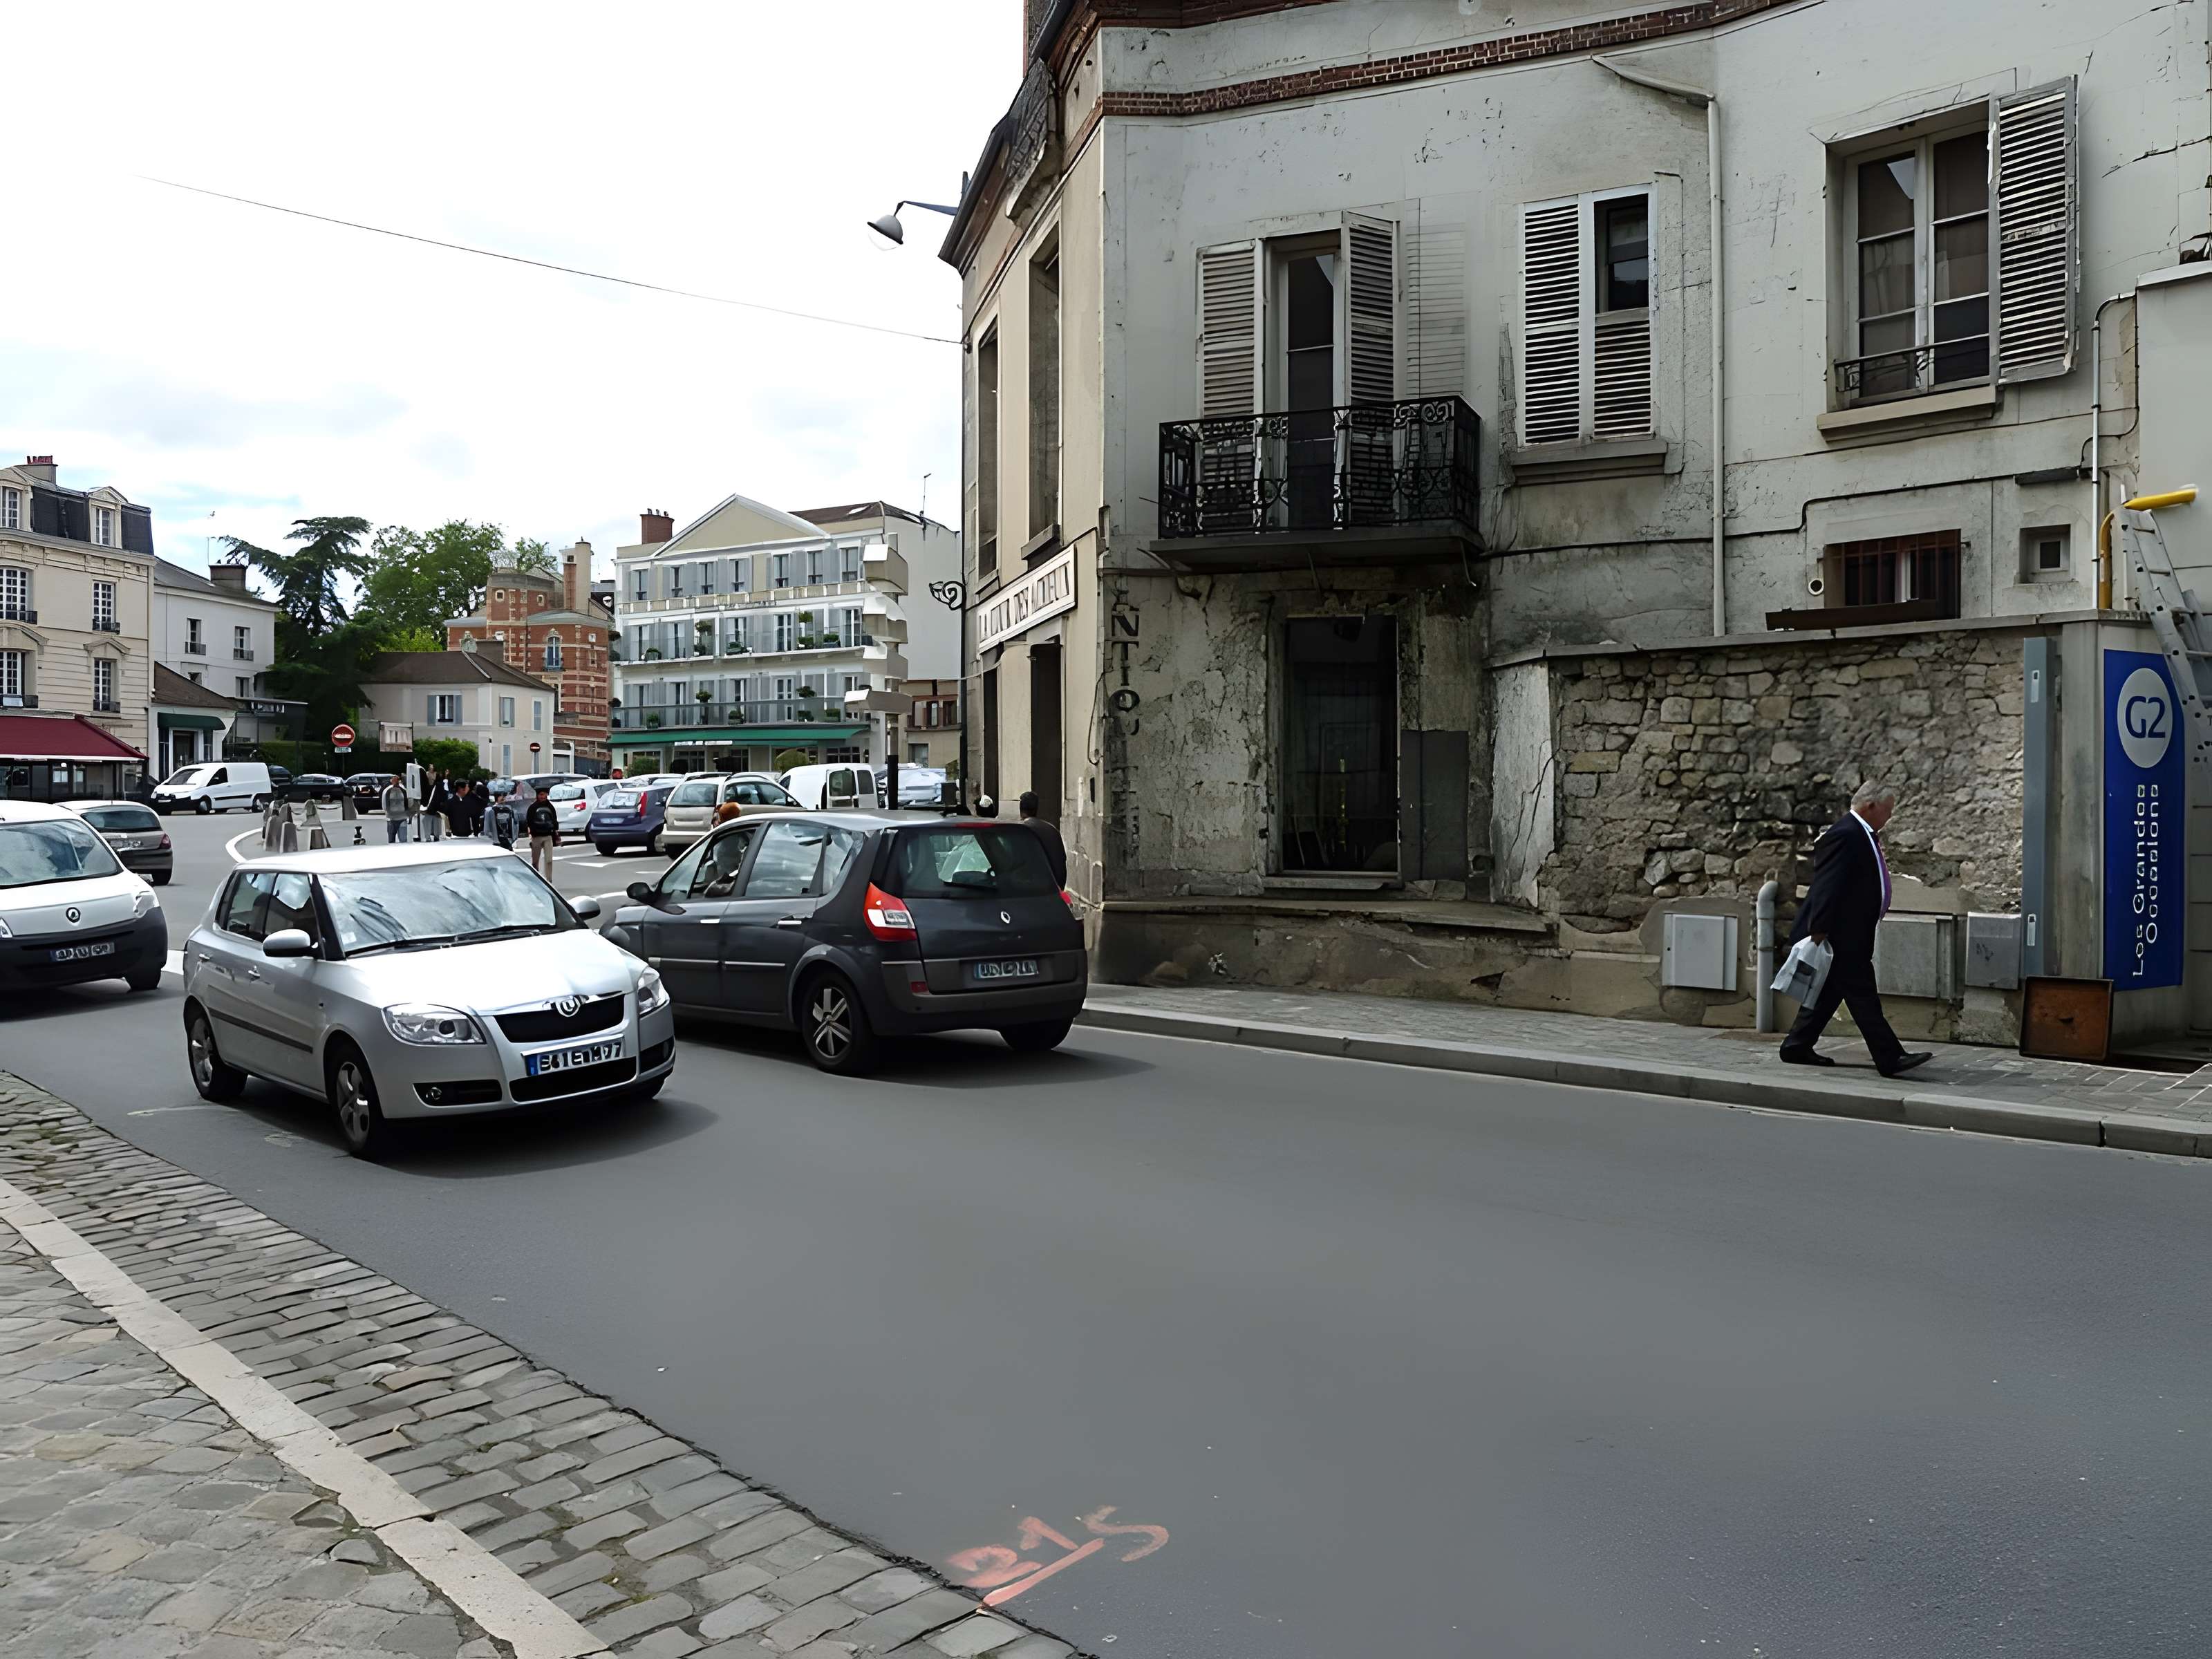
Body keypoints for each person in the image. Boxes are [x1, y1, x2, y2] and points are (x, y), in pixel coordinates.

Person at [1779, 779, 1931, 1078]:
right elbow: (1827, 887)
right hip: (1841, 935)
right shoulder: (1846, 834)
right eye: (1887, 811)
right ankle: (1890, 1057)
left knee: (1830, 991)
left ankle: (1797, 1045)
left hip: (1852, 933)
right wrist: (1819, 930)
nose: (1889, 818)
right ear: (1870, 805)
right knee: (1863, 997)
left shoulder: (1860, 833)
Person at [1018, 790, 1067, 887]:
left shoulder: (1021, 831)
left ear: (1020, 809)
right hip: (1056, 887)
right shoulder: (1053, 830)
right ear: (1036, 809)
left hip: (1032, 889)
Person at [523, 785, 560, 879]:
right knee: (535, 861)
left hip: (548, 836)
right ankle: (537, 879)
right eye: (540, 795)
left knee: (549, 860)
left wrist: (555, 832)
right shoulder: (533, 807)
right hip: (536, 837)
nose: (542, 797)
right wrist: (531, 833)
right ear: (537, 796)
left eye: (544, 795)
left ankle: (549, 880)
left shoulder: (550, 807)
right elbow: (529, 821)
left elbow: (554, 820)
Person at [379, 775, 411, 844]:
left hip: (402, 817)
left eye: (396, 779)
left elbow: (407, 802)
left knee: (403, 840)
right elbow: (384, 804)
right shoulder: (388, 790)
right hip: (391, 818)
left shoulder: (403, 790)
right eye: (394, 779)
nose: (395, 781)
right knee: (391, 841)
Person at [419, 767, 447, 843]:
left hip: (432, 807)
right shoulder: (438, 785)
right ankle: (436, 836)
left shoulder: (434, 786)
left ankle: (429, 837)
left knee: (427, 821)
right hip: (436, 808)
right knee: (435, 821)